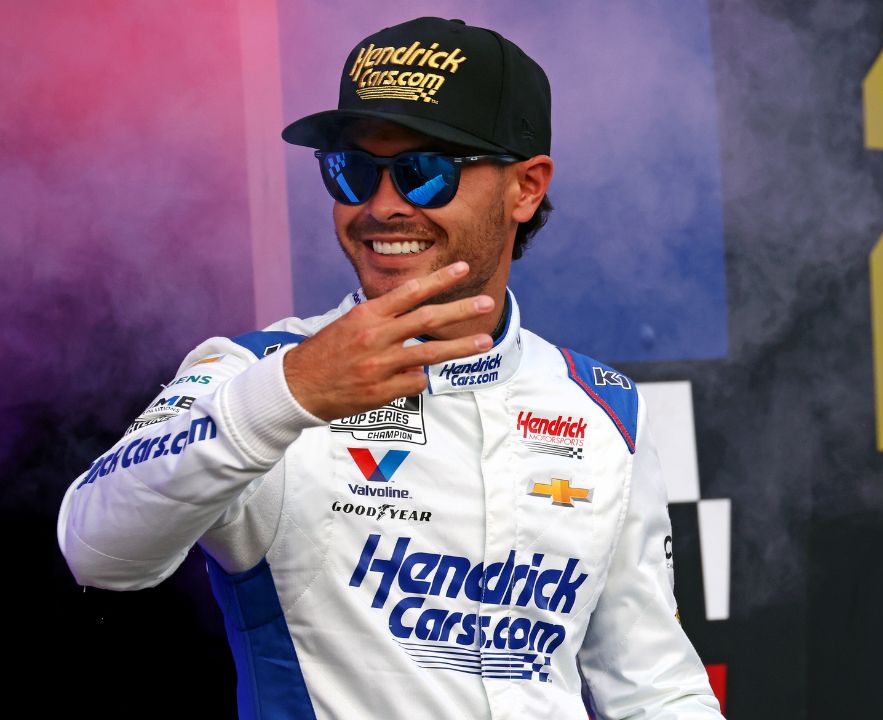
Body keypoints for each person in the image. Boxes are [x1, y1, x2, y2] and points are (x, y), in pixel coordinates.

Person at [56, 16, 723, 719]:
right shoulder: (255, 371)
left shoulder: (605, 410)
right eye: (351, 170)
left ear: (525, 188)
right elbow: (96, 549)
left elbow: (656, 688)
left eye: (423, 172)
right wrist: (292, 395)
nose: (380, 207)